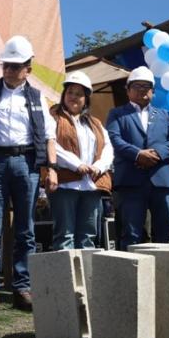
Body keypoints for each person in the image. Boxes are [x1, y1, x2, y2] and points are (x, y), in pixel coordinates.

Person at [0, 35, 58, 315]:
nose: (9, 70)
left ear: (28, 69)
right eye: (6, 65)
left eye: (15, 66)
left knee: (26, 230)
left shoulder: (37, 97)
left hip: (27, 164)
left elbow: (49, 135)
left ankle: (22, 288)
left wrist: (51, 168)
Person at [106, 66, 169, 250]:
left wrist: (156, 154)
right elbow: (114, 139)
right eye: (137, 86)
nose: (142, 90)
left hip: (161, 180)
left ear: (153, 91)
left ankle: (167, 268)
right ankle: (131, 269)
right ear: (128, 90)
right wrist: (138, 154)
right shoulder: (117, 114)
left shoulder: (164, 114)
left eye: (146, 86)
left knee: (166, 231)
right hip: (130, 181)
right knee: (131, 233)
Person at [50, 71, 113, 250]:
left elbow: (108, 148)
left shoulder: (95, 123)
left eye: (79, 94)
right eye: (70, 92)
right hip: (65, 185)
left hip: (91, 186)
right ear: (64, 95)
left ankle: (86, 269)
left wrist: (99, 166)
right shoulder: (53, 117)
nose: (73, 97)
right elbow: (51, 145)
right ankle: (66, 270)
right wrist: (76, 164)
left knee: (88, 237)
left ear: (86, 99)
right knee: (65, 236)